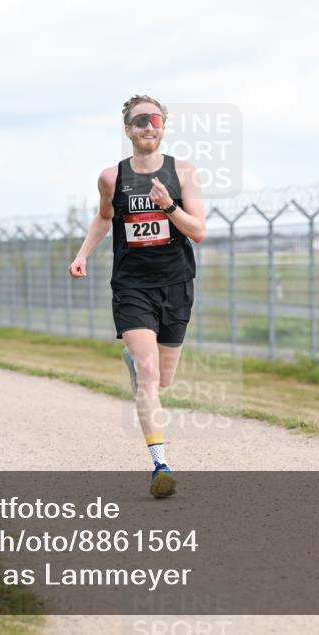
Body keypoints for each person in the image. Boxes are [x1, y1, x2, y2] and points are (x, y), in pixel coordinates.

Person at [69, 95, 206, 498]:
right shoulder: (112, 177)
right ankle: (160, 465)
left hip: (177, 283)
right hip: (131, 286)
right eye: (140, 120)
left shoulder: (183, 172)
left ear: (163, 126)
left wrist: (168, 208)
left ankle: (135, 358)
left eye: (156, 119)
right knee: (147, 376)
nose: (149, 125)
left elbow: (197, 231)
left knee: (164, 379)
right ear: (127, 129)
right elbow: (104, 217)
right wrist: (81, 254)